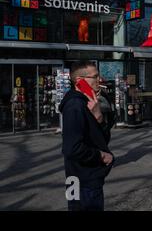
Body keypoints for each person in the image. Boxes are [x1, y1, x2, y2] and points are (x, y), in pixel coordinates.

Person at [59, 61, 114, 211]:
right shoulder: (75, 106)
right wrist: (100, 155)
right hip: (83, 181)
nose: (99, 80)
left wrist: (99, 118)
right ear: (80, 81)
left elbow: (101, 139)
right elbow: (71, 148)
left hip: (85, 179)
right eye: (95, 77)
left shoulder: (89, 104)